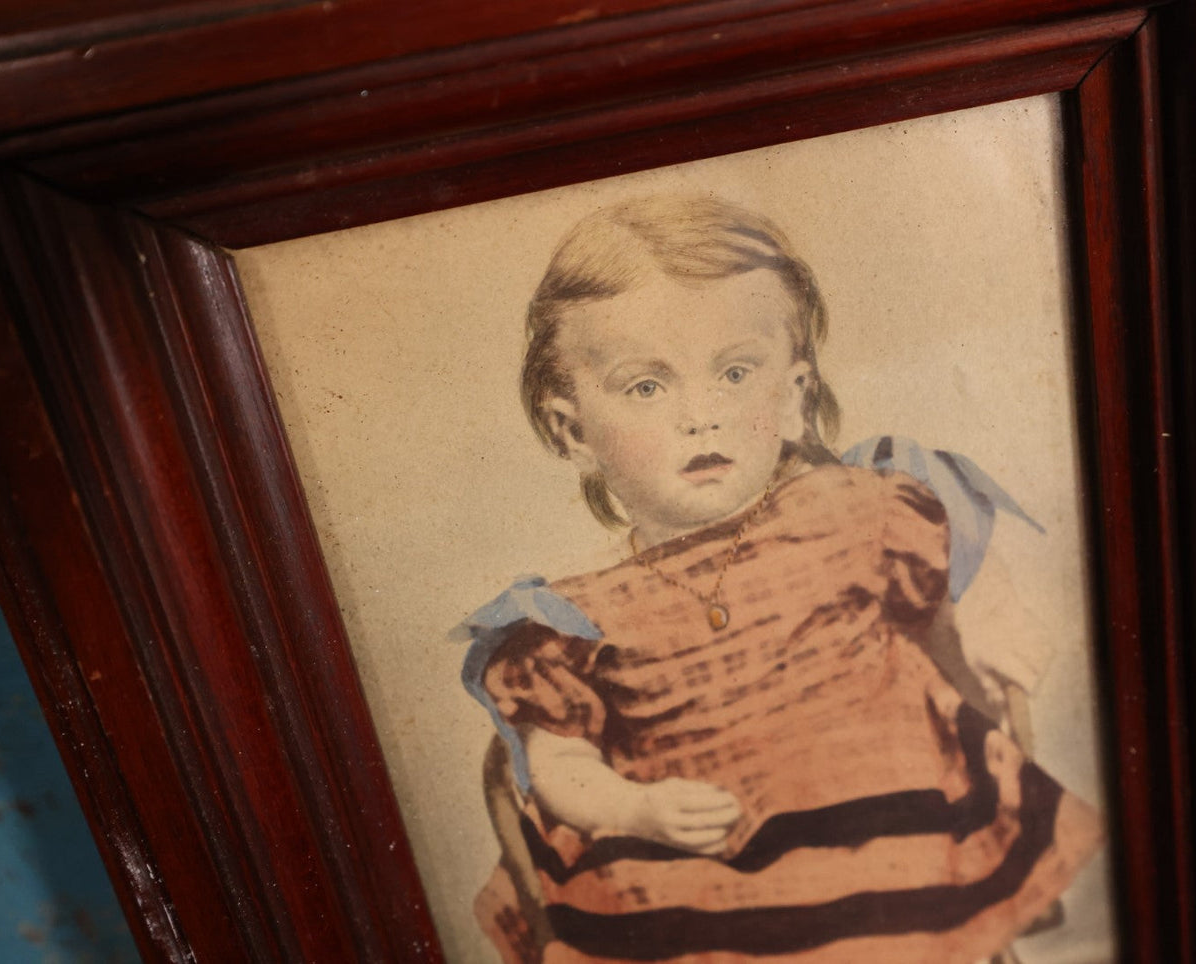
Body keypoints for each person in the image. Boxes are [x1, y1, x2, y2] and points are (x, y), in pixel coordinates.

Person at [455, 195, 1101, 963]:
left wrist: (990, 676)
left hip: (900, 854)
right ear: (571, 430)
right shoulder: (571, 618)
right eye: (645, 388)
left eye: (733, 373)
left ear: (794, 395)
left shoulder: (863, 511)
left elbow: (969, 627)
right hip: (714, 902)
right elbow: (555, 763)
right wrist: (634, 808)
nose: (701, 415)